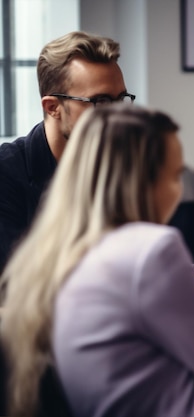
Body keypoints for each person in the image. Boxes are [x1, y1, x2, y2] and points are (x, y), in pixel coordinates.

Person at [0, 104, 194, 417]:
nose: (179, 192)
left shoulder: (61, 254)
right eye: (175, 176)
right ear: (141, 181)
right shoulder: (152, 251)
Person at [0, 31, 133, 274]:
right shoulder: (6, 173)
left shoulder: (118, 167)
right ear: (53, 108)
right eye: (100, 102)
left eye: (120, 99)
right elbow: (14, 285)